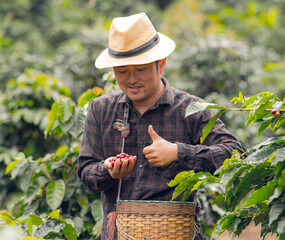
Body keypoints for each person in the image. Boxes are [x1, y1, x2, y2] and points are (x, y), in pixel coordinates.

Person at [77, 12, 245, 240]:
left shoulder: (191, 109)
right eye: (122, 71)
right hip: (120, 233)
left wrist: (178, 152)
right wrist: (108, 170)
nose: (132, 79)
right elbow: (86, 171)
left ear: (161, 64)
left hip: (176, 234)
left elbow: (236, 155)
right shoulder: (101, 109)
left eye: (141, 69)